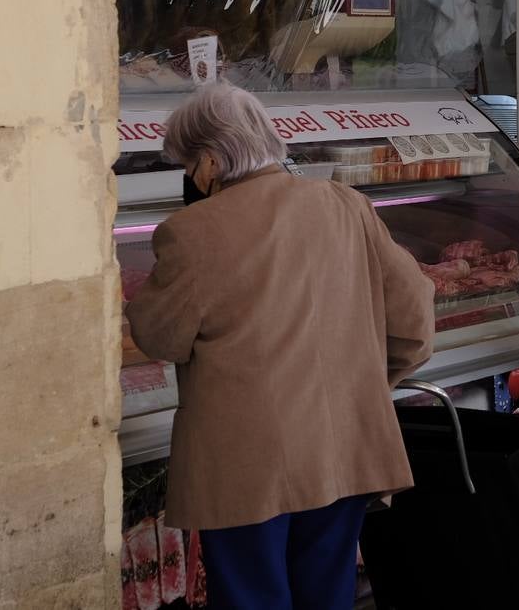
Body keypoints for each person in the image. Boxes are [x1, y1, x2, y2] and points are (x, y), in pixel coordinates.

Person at [126, 84, 435, 610]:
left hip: (248, 468)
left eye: (186, 164)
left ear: (207, 163)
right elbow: (414, 322)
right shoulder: (347, 204)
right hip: (342, 450)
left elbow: (160, 337)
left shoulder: (192, 231)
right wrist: (365, 382)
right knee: (328, 596)